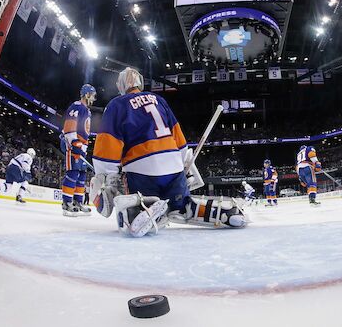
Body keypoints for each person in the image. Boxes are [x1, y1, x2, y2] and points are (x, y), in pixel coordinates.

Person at [90, 67, 245, 237]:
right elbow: (178, 136)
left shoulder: (117, 104)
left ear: (120, 86)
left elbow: (107, 144)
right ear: (140, 82)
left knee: (126, 190)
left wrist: (106, 177)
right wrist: (183, 164)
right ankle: (223, 211)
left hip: (142, 172)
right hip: (174, 170)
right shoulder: (159, 100)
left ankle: (139, 210)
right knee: (181, 204)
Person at [60, 84, 95, 217]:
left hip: (83, 146)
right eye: (92, 95)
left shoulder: (87, 110)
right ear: (86, 94)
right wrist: (74, 142)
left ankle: (78, 202)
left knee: (81, 175)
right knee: (73, 173)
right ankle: (67, 202)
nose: (93, 98)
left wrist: (83, 147)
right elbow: (70, 125)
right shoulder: (76, 106)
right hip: (73, 145)